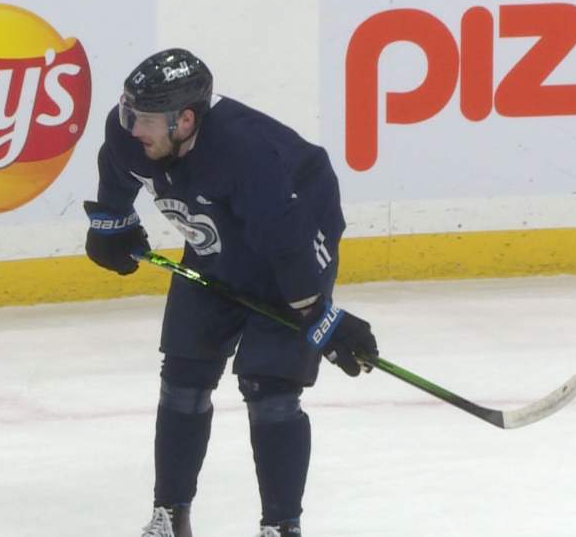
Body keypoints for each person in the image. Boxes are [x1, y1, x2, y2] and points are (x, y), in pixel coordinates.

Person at [83, 48, 380, 537]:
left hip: (296, 231)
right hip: (216, 239)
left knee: (271, 388)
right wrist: (111, 223)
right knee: (183, 375)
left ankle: (280, 527)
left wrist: (321, 318)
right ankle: (170, 515)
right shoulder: (131, 134)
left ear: (185, 119)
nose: (133, 127)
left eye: (146, 119)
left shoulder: (247, 153)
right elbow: (116, 168)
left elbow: (284, 244)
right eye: (129, 112)